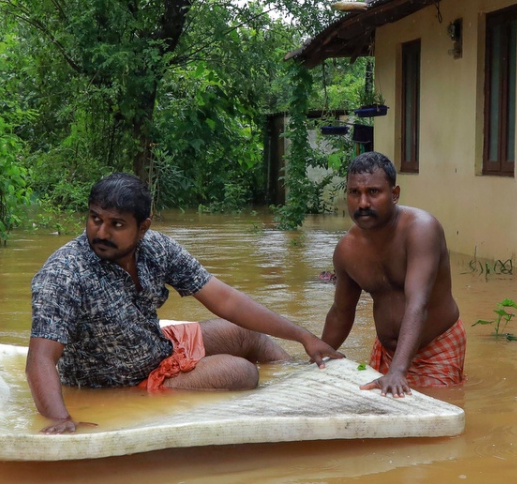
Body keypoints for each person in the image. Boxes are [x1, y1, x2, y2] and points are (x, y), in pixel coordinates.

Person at [27, 173, 341, 433]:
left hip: (158, 347)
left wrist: (304, 336)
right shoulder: (64, 273)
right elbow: (40, 358)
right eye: (95, 219)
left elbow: (227, 300)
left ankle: (303, 383)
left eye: (117, 225)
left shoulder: (156, 248)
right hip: (126, 380)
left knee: (248, 334)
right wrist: (60, 420)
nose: (102, 232)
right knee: (242, 372)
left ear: (143, 227)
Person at [322, 152, 464, 397]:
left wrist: (398, 371)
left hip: (436, 347)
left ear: (395, 194)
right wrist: (320, 356)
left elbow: (418, 304)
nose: (363, 203)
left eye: (373, 192)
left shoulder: (421, 230)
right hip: (387, 352)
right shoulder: (346, 250)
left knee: (433, 423)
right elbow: (341, 312)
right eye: (354, 193)